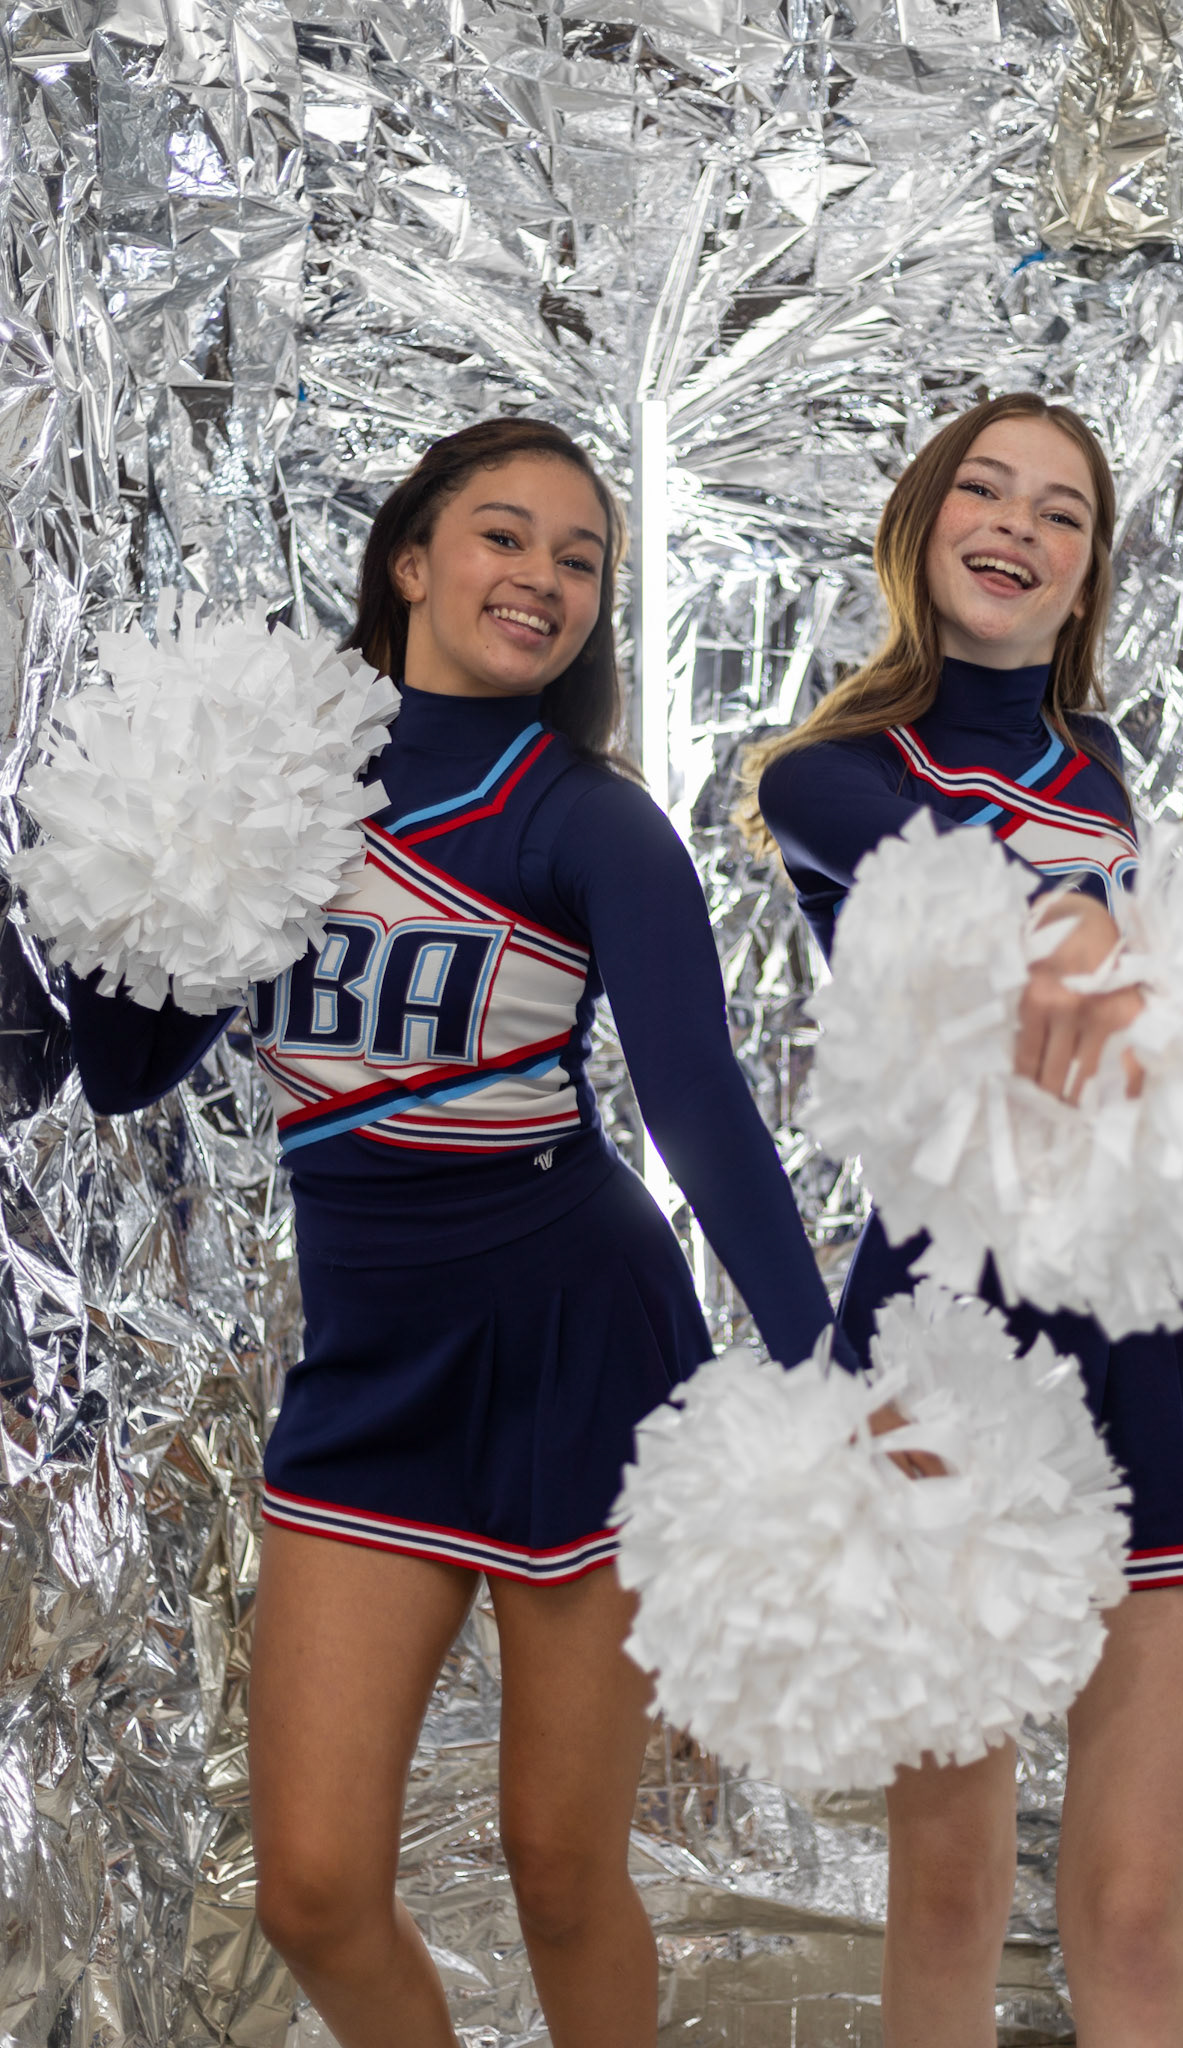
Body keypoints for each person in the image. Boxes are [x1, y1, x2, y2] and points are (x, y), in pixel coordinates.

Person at [65, 418, 850, 2048]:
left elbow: (700, 1111)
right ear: (411, 561)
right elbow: (131, 1065)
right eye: (505, 536)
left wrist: (831, 1383)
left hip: (583, 1350)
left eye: (579, 559)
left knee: (560, 1870)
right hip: (374, 1371)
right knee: (312, 1891)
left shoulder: (584, 821)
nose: (542, 577)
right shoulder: (275, 790)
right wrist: (107, 858)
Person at [746, 392, 1183, 2048]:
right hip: (951, 1339)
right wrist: (1070, 926)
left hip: (1151, 1337)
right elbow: (959, 887)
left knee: (1134, 1910)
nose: (1016, 525)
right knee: (947, 1893)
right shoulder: (827, 778)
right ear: (922, 529)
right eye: (983, 492)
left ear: (1084, 575)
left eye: (1060, 511)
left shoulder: (1097, 764)